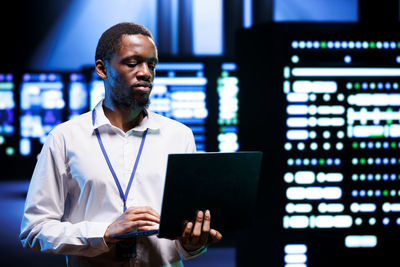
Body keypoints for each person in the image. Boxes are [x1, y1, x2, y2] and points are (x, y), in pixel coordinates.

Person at [20, 22, 222, 266]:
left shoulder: (179, 136)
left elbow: (181, 235)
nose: (146, 72)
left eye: (152, 64)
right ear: (102, 69)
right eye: (133, 63)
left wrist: (191, 244)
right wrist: (104, 232)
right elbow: (34, 230)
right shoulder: (64, 138)